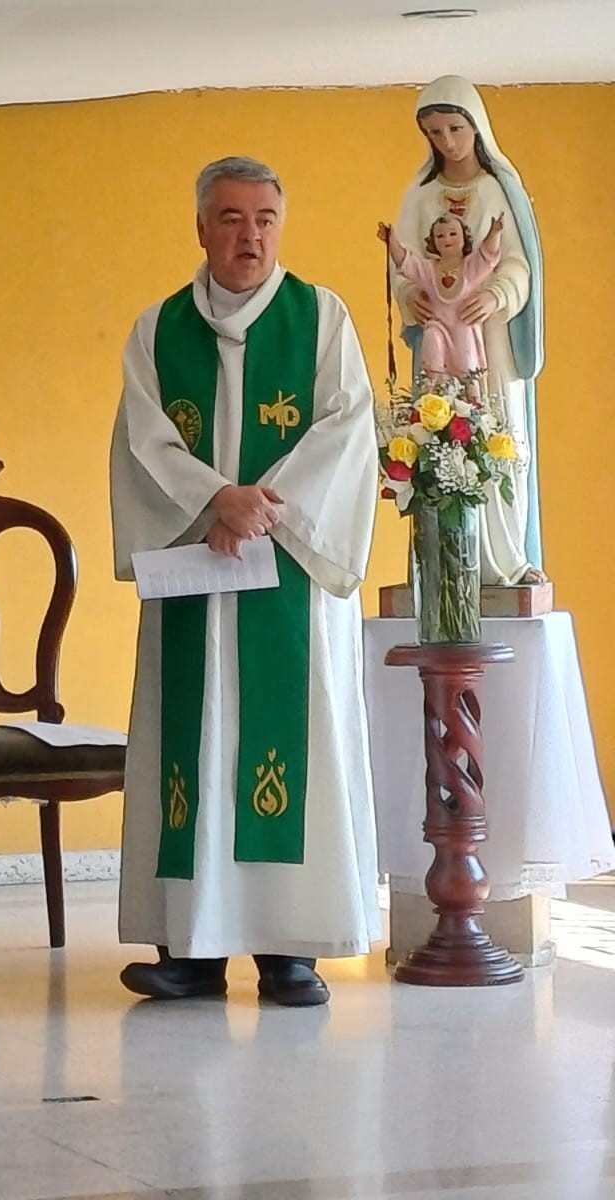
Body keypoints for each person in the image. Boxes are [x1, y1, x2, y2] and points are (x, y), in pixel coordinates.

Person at [109, 156, 380, 1008]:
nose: (249, 235)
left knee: (280, 745)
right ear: (201, 228)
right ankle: (189, 947)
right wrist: (214, 499)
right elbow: (144, 443)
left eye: (264, 218)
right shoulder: (157, 331)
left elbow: (347, 428)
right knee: (194, 742)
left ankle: (287, 949)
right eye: (230, 217)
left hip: (287, 574)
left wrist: (265, 510)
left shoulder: (322, 318)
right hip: (199, 566)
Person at [393, 75, 544, 585]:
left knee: (498, 442)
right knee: (438, 441)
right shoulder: (421, 196)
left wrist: (498, 293)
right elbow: (405, 266)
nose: (447, 141)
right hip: (438, 339)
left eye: (455, 128)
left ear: (475, 127)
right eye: (434, 132)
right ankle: (445, 570)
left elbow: (521, 266)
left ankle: (505, 561)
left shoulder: (498, 190)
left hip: (491, 341)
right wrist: (408, 294)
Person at [379, 213, 504, 382]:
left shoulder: (469, 268)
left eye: (453, 234)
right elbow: (405, 263)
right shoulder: (429, 270)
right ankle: (433, 390)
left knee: (466, 361)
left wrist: (494, 232)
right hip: (438, 326)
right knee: (431, 339)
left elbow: (487, 255)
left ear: (464, 238)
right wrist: (391, 241)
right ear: (433, 242)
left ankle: (471, 400)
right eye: (440, 235)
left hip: (463, 325)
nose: (447, 239)